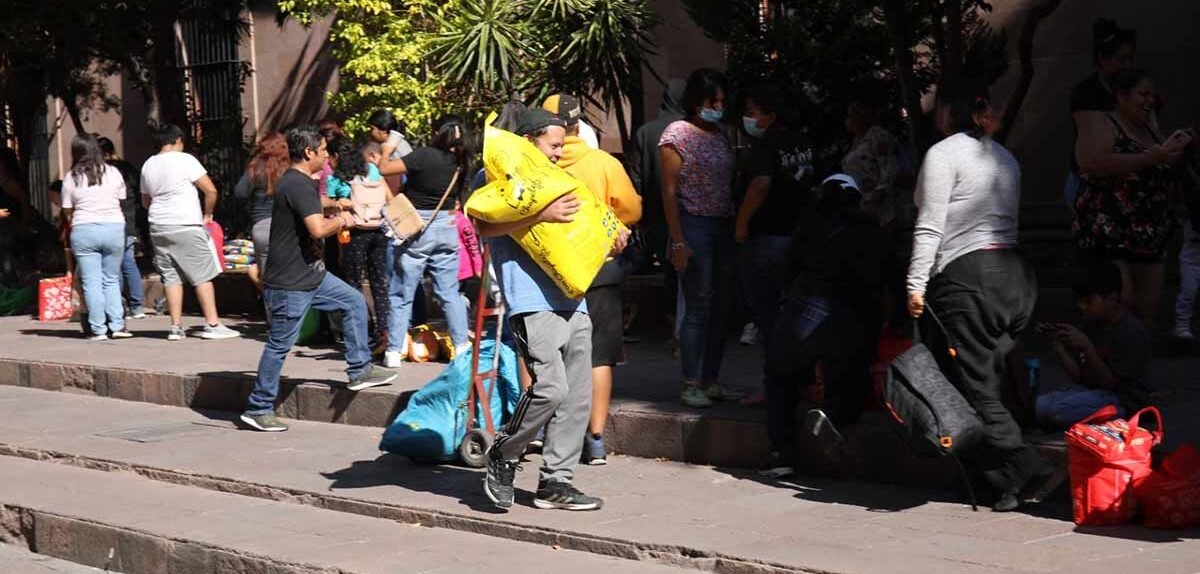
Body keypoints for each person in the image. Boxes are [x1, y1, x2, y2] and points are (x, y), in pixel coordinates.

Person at [907, 82, 1053, 512]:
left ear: (946, 113)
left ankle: (1030, 465)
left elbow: (931, 224)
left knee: (974, 390)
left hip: (970, 278)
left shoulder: (943, 154)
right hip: (1015, 280)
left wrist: (915, 284)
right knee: (986, 383)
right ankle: (998, 484)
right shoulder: (1004, 157)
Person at [480, 108, 629, 511]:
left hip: (573, 298)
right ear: (528, 141)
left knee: (577, 394)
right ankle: (504, 453)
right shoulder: (496, 177)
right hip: (530, 300)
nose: (560, 153)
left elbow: (585, 229)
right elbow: (480, 225)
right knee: (550, 388)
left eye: (562, 145)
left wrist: (612, 238)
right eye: (554, 145)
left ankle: (556, 483)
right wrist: (539, 213)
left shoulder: (562, 180)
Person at [241, 126, 399, 432]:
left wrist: (335, 204)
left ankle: (360, 370)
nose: (327, 155)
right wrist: (342, 219)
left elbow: (311, 206)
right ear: (309, 153)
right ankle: (258, 407)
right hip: (290, 282)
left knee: (353, 301)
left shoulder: (300, 182)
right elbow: (316, 229)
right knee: (279, 344)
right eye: (323, 150)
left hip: (310, 275)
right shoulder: (298, 184)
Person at [759, 175, 888, 478]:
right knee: (850, 375)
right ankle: (836, 418)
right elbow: (890, 279)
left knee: (780, 373)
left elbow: (788, 267)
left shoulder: (810, 224)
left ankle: (781, 453)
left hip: (809, 308)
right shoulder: (874, 232)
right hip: (857, 316)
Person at [543, 94, 643, 465]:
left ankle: (547, 431)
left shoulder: (537, 164)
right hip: (599, 270)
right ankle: (595, 440)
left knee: (548, 354)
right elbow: (632, 208)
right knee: (599, 356)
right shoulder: (601, 162)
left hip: (551, 272)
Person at [1073, 68, 1192, 328]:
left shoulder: (1151, 129)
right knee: (1120, 300)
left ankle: (1133, 365)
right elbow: (1092, 162)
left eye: (1153, 95)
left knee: (1147, 308)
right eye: (1143, 94)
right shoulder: (1103, 122)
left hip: (1150, 233)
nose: (1150, 101)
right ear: (1121, 96)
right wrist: (1151, 158)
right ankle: (1102, 362)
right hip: (1110, 231)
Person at [734, 84, 818, 408]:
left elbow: (761, 183)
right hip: (800, 239)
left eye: (753, 112)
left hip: (769, 239)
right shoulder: (803, 143)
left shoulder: (765, 147)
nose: (748, 118)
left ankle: (776, 388)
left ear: (770, 115)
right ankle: (803, 384)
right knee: (797, 318)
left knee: (769, 320)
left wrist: (741, 223)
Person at [660, 68, 738, 408]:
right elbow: (668, 191)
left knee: (722, 308)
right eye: (712, 101)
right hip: (694, 224)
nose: (718, 107)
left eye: (722, 101)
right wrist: (678, 239)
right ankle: (691, 381)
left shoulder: (721, 134)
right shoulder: (677, 134)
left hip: (723, 224)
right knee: (698, 306)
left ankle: (711, 379)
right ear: (695, 101)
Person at [380, 116, 473, 367]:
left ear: (438, 133)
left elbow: (384, 169)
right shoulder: (461, 162)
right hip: (447, 226)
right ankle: (462, 345)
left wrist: (388, 147)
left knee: (402, 292)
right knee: (449, 292)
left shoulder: (423, 156)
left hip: (417, 227)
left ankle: (393, 351)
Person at [140, 123, 240, 341]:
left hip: (158, 225)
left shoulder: (148, 164)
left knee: (171, 276)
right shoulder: (185, 160)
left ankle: (175, 327)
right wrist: (208, 214)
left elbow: (146, 200)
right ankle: (212, 323)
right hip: (185, 223)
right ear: (178, 140)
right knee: (202, 275)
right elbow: (211, 190)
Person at [1035, 263, 1151, 430]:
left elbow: (1110, 383)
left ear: (1111, 298)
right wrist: (1055, 342)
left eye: (1088, 301)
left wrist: (1087, 347)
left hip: (1121, 400)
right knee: (1038, 407)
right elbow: (1078, 375)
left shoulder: (1130, 331)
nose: (1082, 307)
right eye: (1080, 301)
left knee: (1057, 413)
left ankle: (1116, 418)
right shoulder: (1092, 324)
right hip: (1090, 392)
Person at [61, 134, 131, 340]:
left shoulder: (71, 177)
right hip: (114, 228)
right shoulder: (113, 172)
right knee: (111, 279)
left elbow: (67, 209)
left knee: (91, 282)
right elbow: (122, 199)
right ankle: (117, 326)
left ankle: (98, 329)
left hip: (84, 230)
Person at [326, 136, 392, 352]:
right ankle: (385, 335)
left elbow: (328, 209)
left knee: (353, 285)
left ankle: (363, 334)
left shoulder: (336, 179)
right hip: (378, 231)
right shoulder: (372, 171)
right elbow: (389, 197)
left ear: (336, 157)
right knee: (380, 284)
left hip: (354, 233)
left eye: (329, 156)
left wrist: (338, 205)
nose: (327, 161)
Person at [1067, 18, 1138, 210]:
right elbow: (1094, 156)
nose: (1128, 66)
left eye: (1131, 60)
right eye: (1121, 60)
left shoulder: (1138, 91)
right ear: (1102, 58)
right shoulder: (1086, 93)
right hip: (1093, 184)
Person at [234, 132, 289, 292]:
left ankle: (272, 314)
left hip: (261, 227)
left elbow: (240, 192)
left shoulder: (255, 168)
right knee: (289, 274)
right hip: (285, 226)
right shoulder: (289, 169)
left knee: (267, 278)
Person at [97, 136, 146, 319]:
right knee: (129, 264)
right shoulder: (129, 169)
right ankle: (137, 306)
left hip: (113, 221)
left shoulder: (107, 172)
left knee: (113, 267)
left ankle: (118, 305)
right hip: (130, 221)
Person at [841, 99, 900, 226]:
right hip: (864, 205)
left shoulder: (877, 135)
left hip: (882, 204)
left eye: (852, 114)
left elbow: (889, 168)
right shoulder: (856, 141)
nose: (848, 119)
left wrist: (880, 194)